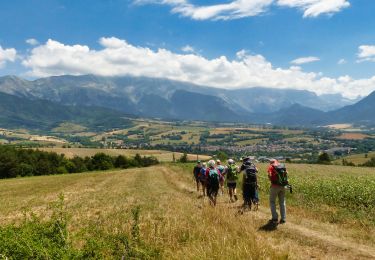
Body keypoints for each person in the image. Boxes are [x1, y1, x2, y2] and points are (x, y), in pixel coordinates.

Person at [267, 158, 288, 224]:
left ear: (271, 162)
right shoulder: (282, 165)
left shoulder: (271, 167)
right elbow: (286, 173)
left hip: (274, 186)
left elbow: (270, 175)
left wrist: (271, 180)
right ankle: (283, 219)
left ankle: (275, 218)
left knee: (272, 202)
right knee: (282, 202)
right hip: (283, 186)